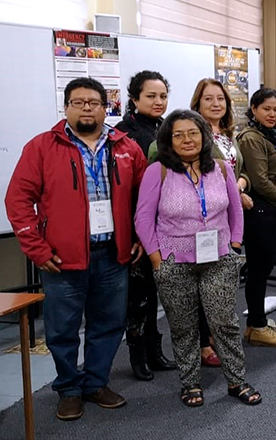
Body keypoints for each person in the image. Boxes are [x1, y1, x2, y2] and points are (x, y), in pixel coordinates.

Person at [5, 77, 146, 420]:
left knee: (109, 324)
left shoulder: (127, 147)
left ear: (105, 108)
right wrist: (36, 248)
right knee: (62, 329)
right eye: (78, 102)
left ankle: (96, 383)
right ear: (66, 107)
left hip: (114, 255)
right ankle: (68, 388)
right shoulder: (41, 147)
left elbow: (145, 199)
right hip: (61, 259)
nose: (86, 107)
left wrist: (142, 236)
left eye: (93, 102)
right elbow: (18, 199)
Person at [134, 110, 261, 407]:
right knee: (183, 326)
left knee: (224, 322)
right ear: (168, 140)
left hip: (219, 258)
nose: (186, 139)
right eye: (178, 134)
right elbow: (143, 218)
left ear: (204, 136)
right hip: (173, 260)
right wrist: (156, 258)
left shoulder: (220, 168)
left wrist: (235, 245)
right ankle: (190, 383)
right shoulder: (158, 171)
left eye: (192, 132)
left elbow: (235, 210)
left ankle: (236, 380)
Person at [114, 70, 176, 381]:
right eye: (150, 96)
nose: (158, 101)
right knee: (138, 297)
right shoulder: (122, 135)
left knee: (155, 293)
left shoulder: (168, 129)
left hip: (166, 226)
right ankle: (137, 355)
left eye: (163, 96)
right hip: (138, 228)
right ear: (135, 98)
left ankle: (155, 350)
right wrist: (136, 233)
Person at [188, 78, 254, 366]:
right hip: (205, 220)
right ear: (197, 104)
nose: (216, 104)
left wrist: (240, 184)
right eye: (208, 99)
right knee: (204, 282)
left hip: (230, 219)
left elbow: (242, 171)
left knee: (222, 281)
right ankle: (203, 343)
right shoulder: (192, 134)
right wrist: (235, 191)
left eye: (220, 99)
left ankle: (216, 334)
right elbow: (195, 177)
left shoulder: (229, 135)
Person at [237, 88, 276, 346]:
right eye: (266, 109)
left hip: (275, 209)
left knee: (260, 270)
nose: (272, 114)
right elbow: (260, 181)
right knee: (259, 271)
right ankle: (258, 327)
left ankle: (256, 324)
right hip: (262, 211)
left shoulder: (271, 136)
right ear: (254, 109)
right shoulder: (251, 138)